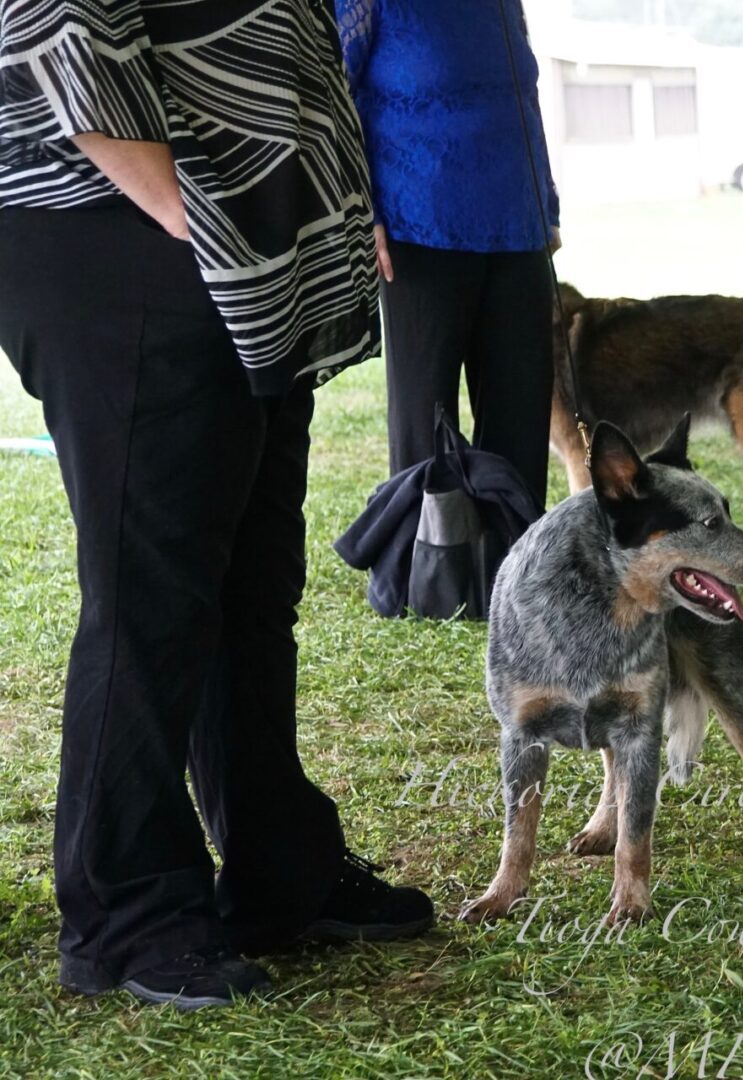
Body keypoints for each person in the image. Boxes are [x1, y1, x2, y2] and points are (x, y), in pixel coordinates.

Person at [0, 0, 433, 1009]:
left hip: (243, 248)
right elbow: (50, 22)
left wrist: (320, 204)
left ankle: (276, 870)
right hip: (116, 231)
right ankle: (125, 913)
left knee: (248, 580)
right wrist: (191, 217)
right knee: (155, 588)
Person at [338, 0, 560, 502]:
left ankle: (513, 574)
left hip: (516, 227)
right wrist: (363, 208)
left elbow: (523, 96)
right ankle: (421, 575)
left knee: (521, 422)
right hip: (417, 227)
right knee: (426, 431)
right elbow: (335, 94)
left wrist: (546, 203)